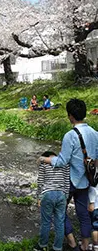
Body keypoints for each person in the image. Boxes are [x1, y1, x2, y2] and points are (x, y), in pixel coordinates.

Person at [38, 98, 98, 251]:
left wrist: (45, 159)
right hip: (86, 181)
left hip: (69, 181)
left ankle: (71, 242)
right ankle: (85, 245)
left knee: (59, 211)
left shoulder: (70, 135)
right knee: (83, 214)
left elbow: (62, 161)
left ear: (70, 115)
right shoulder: (95, 134)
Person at [35, 151, 70, 251]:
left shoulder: (44, 164)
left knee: (46, 222)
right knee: (60, 223)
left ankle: (42, 246)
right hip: (61, 194)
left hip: (48, 193)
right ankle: (58, 247)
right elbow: (67, 180)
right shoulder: (64, 163)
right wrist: (66, 196)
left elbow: (40, 181)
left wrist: (39, 197)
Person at [89, 185, 98, 251]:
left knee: (94, 226)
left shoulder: (95, 176)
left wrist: (91, 202)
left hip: (95, 205)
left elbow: (92, 189)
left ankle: (94, 244)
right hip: (95, 205)